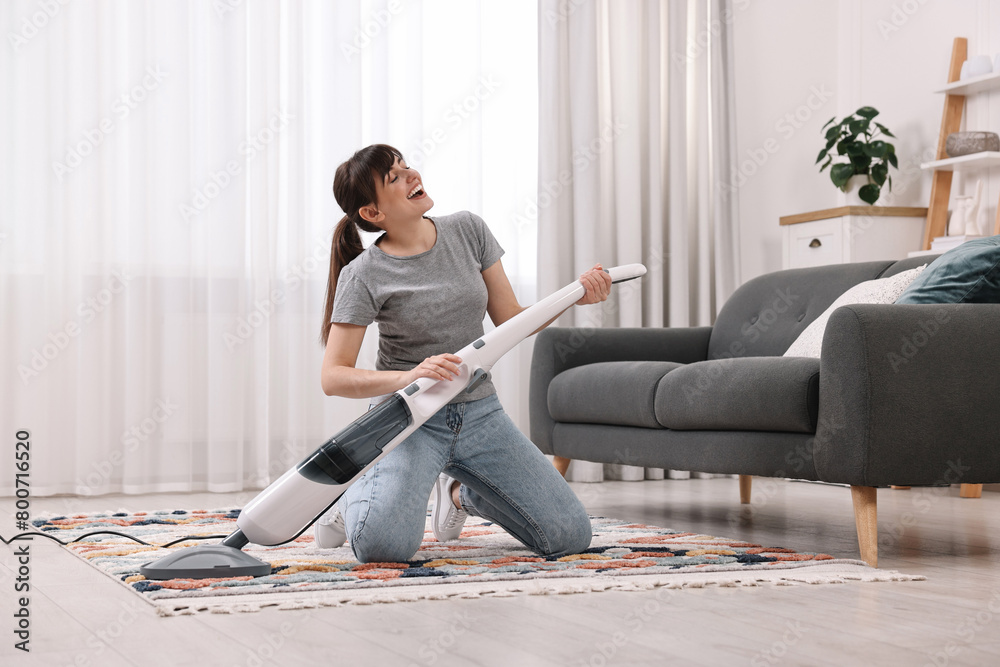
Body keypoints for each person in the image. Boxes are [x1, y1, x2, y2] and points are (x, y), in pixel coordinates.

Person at [314, 143, 611, 563]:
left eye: (406, 166)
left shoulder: (468, 230)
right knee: (384, 546)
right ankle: (354, 499)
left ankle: (459, 495)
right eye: (394, 178)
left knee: (569, 536)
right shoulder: (363, 274)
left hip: (479, 414)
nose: (412, 175)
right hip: (408, 419)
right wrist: (408, 377)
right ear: (372, 213)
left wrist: (575, 296)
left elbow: (510, 318)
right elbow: (334, 377)